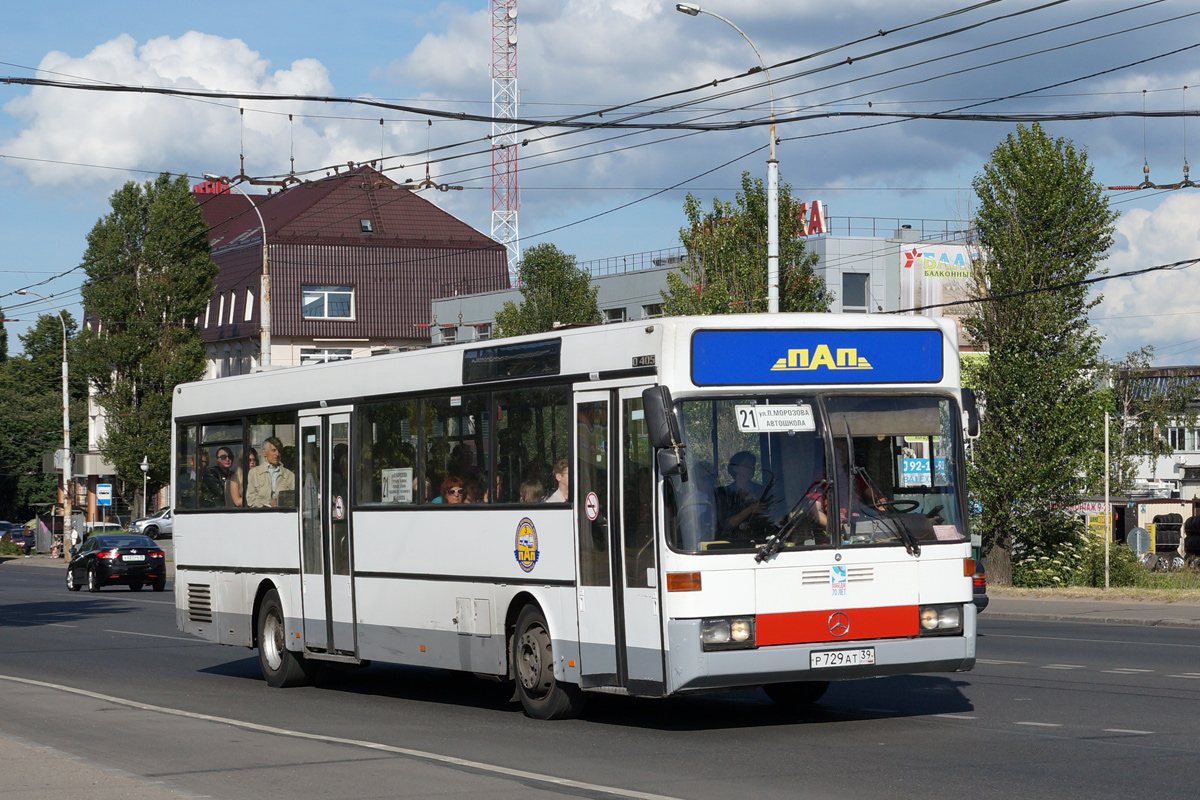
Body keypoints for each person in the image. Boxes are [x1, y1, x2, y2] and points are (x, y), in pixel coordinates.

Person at [715, 451, 770, 536]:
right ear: (735, 468)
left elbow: (771, 516)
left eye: (753, 465)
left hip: (762, 539)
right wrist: (750, 509)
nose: (751, 467)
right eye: (746, 464)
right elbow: (726, 524)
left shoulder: (763, 490)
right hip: (733, 544)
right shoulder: (723, 493)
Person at [245, 437, 296, 507]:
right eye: (273, 450)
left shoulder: (289, 475)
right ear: (264, 452)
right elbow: (251, 499)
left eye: (279, 451)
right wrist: (268, 503)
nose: (277, 454)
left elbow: (295, 499)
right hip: (262, 514)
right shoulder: (254, 473)